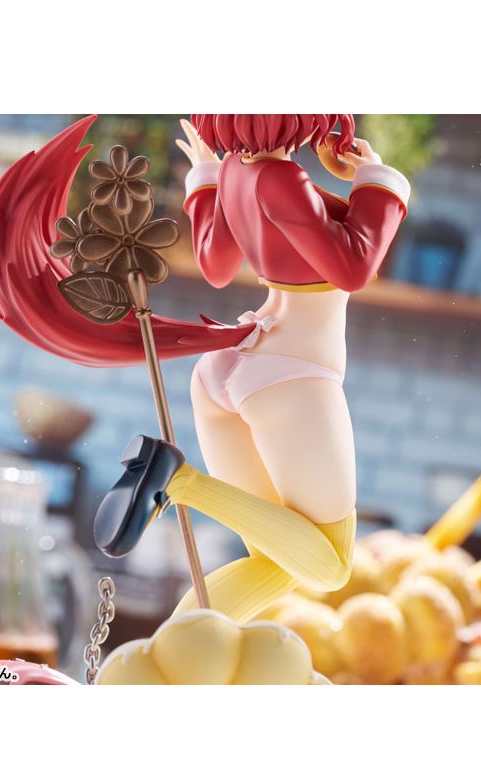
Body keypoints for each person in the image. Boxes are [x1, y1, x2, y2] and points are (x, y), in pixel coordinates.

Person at [97, 114, 409, 622]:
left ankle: (179, 649)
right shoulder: (281, 178)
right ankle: (177, 481)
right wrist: (379, 180)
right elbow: (354, 266)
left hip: (229, 365)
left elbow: (216, 267)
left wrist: (206, 179)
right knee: (330, 567)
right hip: (291, 374)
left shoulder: (237, 173)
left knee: (278, 558)